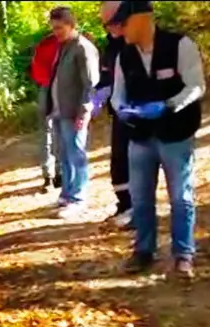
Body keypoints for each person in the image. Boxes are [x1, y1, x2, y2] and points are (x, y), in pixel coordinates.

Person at [109, 0, 205, 277]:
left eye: (123, 23)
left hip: (176, 135)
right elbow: (118, 94)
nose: (120, 30)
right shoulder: (123, 56)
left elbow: (196, 85)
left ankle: (183, 255)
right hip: (139, 137)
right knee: (140, 199)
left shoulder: (180, 45)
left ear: (142, 19)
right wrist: (124, 111)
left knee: (181, 197)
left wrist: (170, 105)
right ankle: (143, 251)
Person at [46, 6, 100, 218]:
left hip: (74, 112)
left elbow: (90, 84)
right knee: (65, 154)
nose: (56, 32)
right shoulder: (65, 46)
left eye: (59, 28)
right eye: (53, 28)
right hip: (61, 111)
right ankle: (67, 194)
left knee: (76, 154)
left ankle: (78, 198)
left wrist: (85, 111)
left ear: (71, 25)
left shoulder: (83, 48)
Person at [92, 1, 133, 228]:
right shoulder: (111, 46)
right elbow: (106, 78)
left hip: (139, 113)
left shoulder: (139, 42)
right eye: (105, 23)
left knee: (135, 160)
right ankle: (124, 204)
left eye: (113, 22)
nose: (109, 28)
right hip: (119, 112)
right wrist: (99, 94)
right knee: (118, 159)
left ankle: (137, 209)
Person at [30, 33, 62, 190]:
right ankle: (53, 174)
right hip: (51, 88)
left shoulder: (72, 43)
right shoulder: (47, 44)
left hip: (53, 87)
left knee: (52, 132)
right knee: (51, 132)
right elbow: (37, 68)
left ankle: (54, 174)